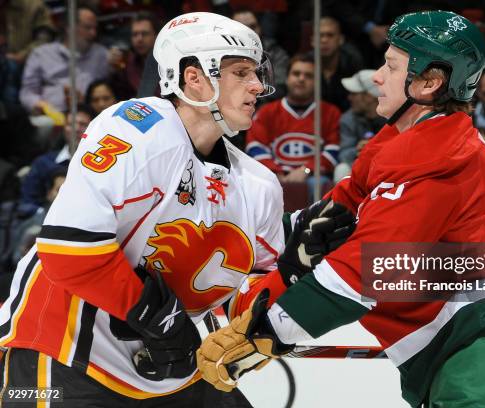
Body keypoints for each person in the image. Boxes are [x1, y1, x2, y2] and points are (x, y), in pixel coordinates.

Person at [198, 11, 485, 407]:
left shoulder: (442, 155)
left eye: (391, 66)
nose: (377, 76)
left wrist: (263, 335)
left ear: (429, 83)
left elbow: (364, 269)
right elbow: (323, 224)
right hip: (483, 353)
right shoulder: (401, 145)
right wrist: (227, 242)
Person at [0, 12, 352, 407]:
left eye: (256, 73)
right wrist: (161, 319)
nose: (257, 86)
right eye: (240, 72)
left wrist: (292, 270)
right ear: (193, 77)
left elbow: (242, 301)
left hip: (169, 371)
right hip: (64, 353)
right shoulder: (135, 127)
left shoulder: (258, 185)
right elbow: (67, 252)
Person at [245, 54, 340, 200]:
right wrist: (277, 172)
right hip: (274, 175)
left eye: (308, 75)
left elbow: (333, 150)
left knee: (320, 184)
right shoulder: (267, 112)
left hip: (313, 178)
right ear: (287, 78)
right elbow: (255, 147)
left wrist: (307, 170)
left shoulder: (330, 113)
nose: (301, 79)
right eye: (296, 74)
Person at [19, 7, 109, 114]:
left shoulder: (102, 54)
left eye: (95, 28)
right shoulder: (41, 54)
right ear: (69, 27)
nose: (93, 33)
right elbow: (27, 92)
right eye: (87, 28)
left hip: (89, 115)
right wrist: (42, 106)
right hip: (51, 117)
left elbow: (108, 91)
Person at [18, 104, 94, 217]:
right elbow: (26, 204)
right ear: (64, 128)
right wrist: (45, 212)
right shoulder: (43, 163)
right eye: (70, 124)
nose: (76, 129)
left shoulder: (102, 164)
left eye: (83, 125)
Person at [334, 69, 385, 182]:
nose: (349, 98)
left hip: (386, 166)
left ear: (369, 96)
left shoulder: (392, 116)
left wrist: (377, 148)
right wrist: (359, 150)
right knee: (342, 169)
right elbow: (344, 155)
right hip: (359, 167)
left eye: (354, 94)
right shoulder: (348, 119)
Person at [232, 8, 290, 100]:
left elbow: (280, 88)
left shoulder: (275, 53)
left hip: (264, 105)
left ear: (260, 28)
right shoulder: (220, 55)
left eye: (252, 27)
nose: (249, 32)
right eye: (242, 27)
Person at [108, 11, 159, 100]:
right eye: (135, 34)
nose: (139, 39)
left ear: (156, 36)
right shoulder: (128, 62)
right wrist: (113, 70)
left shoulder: (167, 61)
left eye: (145, 34)